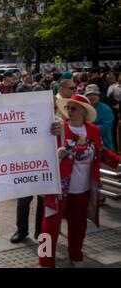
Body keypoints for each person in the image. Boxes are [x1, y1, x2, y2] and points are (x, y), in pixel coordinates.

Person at [40, 94, 120, 267]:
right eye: (68, 108)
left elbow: (101, 151)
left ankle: (76, 255)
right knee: (48, 229)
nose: (69, 111)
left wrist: (118, 162)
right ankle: (44, 262)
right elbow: (41, 153)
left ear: (84, 112)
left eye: (74, 108)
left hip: (83, 189)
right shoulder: (57, 129)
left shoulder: (93, 130)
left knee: (79, 226)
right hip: (58, 189)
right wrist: (56, 155)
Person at [85, 84, 115, 151]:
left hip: (104, 144)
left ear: (99, 96)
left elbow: (106, 127)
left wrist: (87, 128)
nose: (92, 97)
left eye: (95, 94)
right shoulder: (83, 108)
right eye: (89, 95)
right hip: (86, 144)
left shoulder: (106, 109)